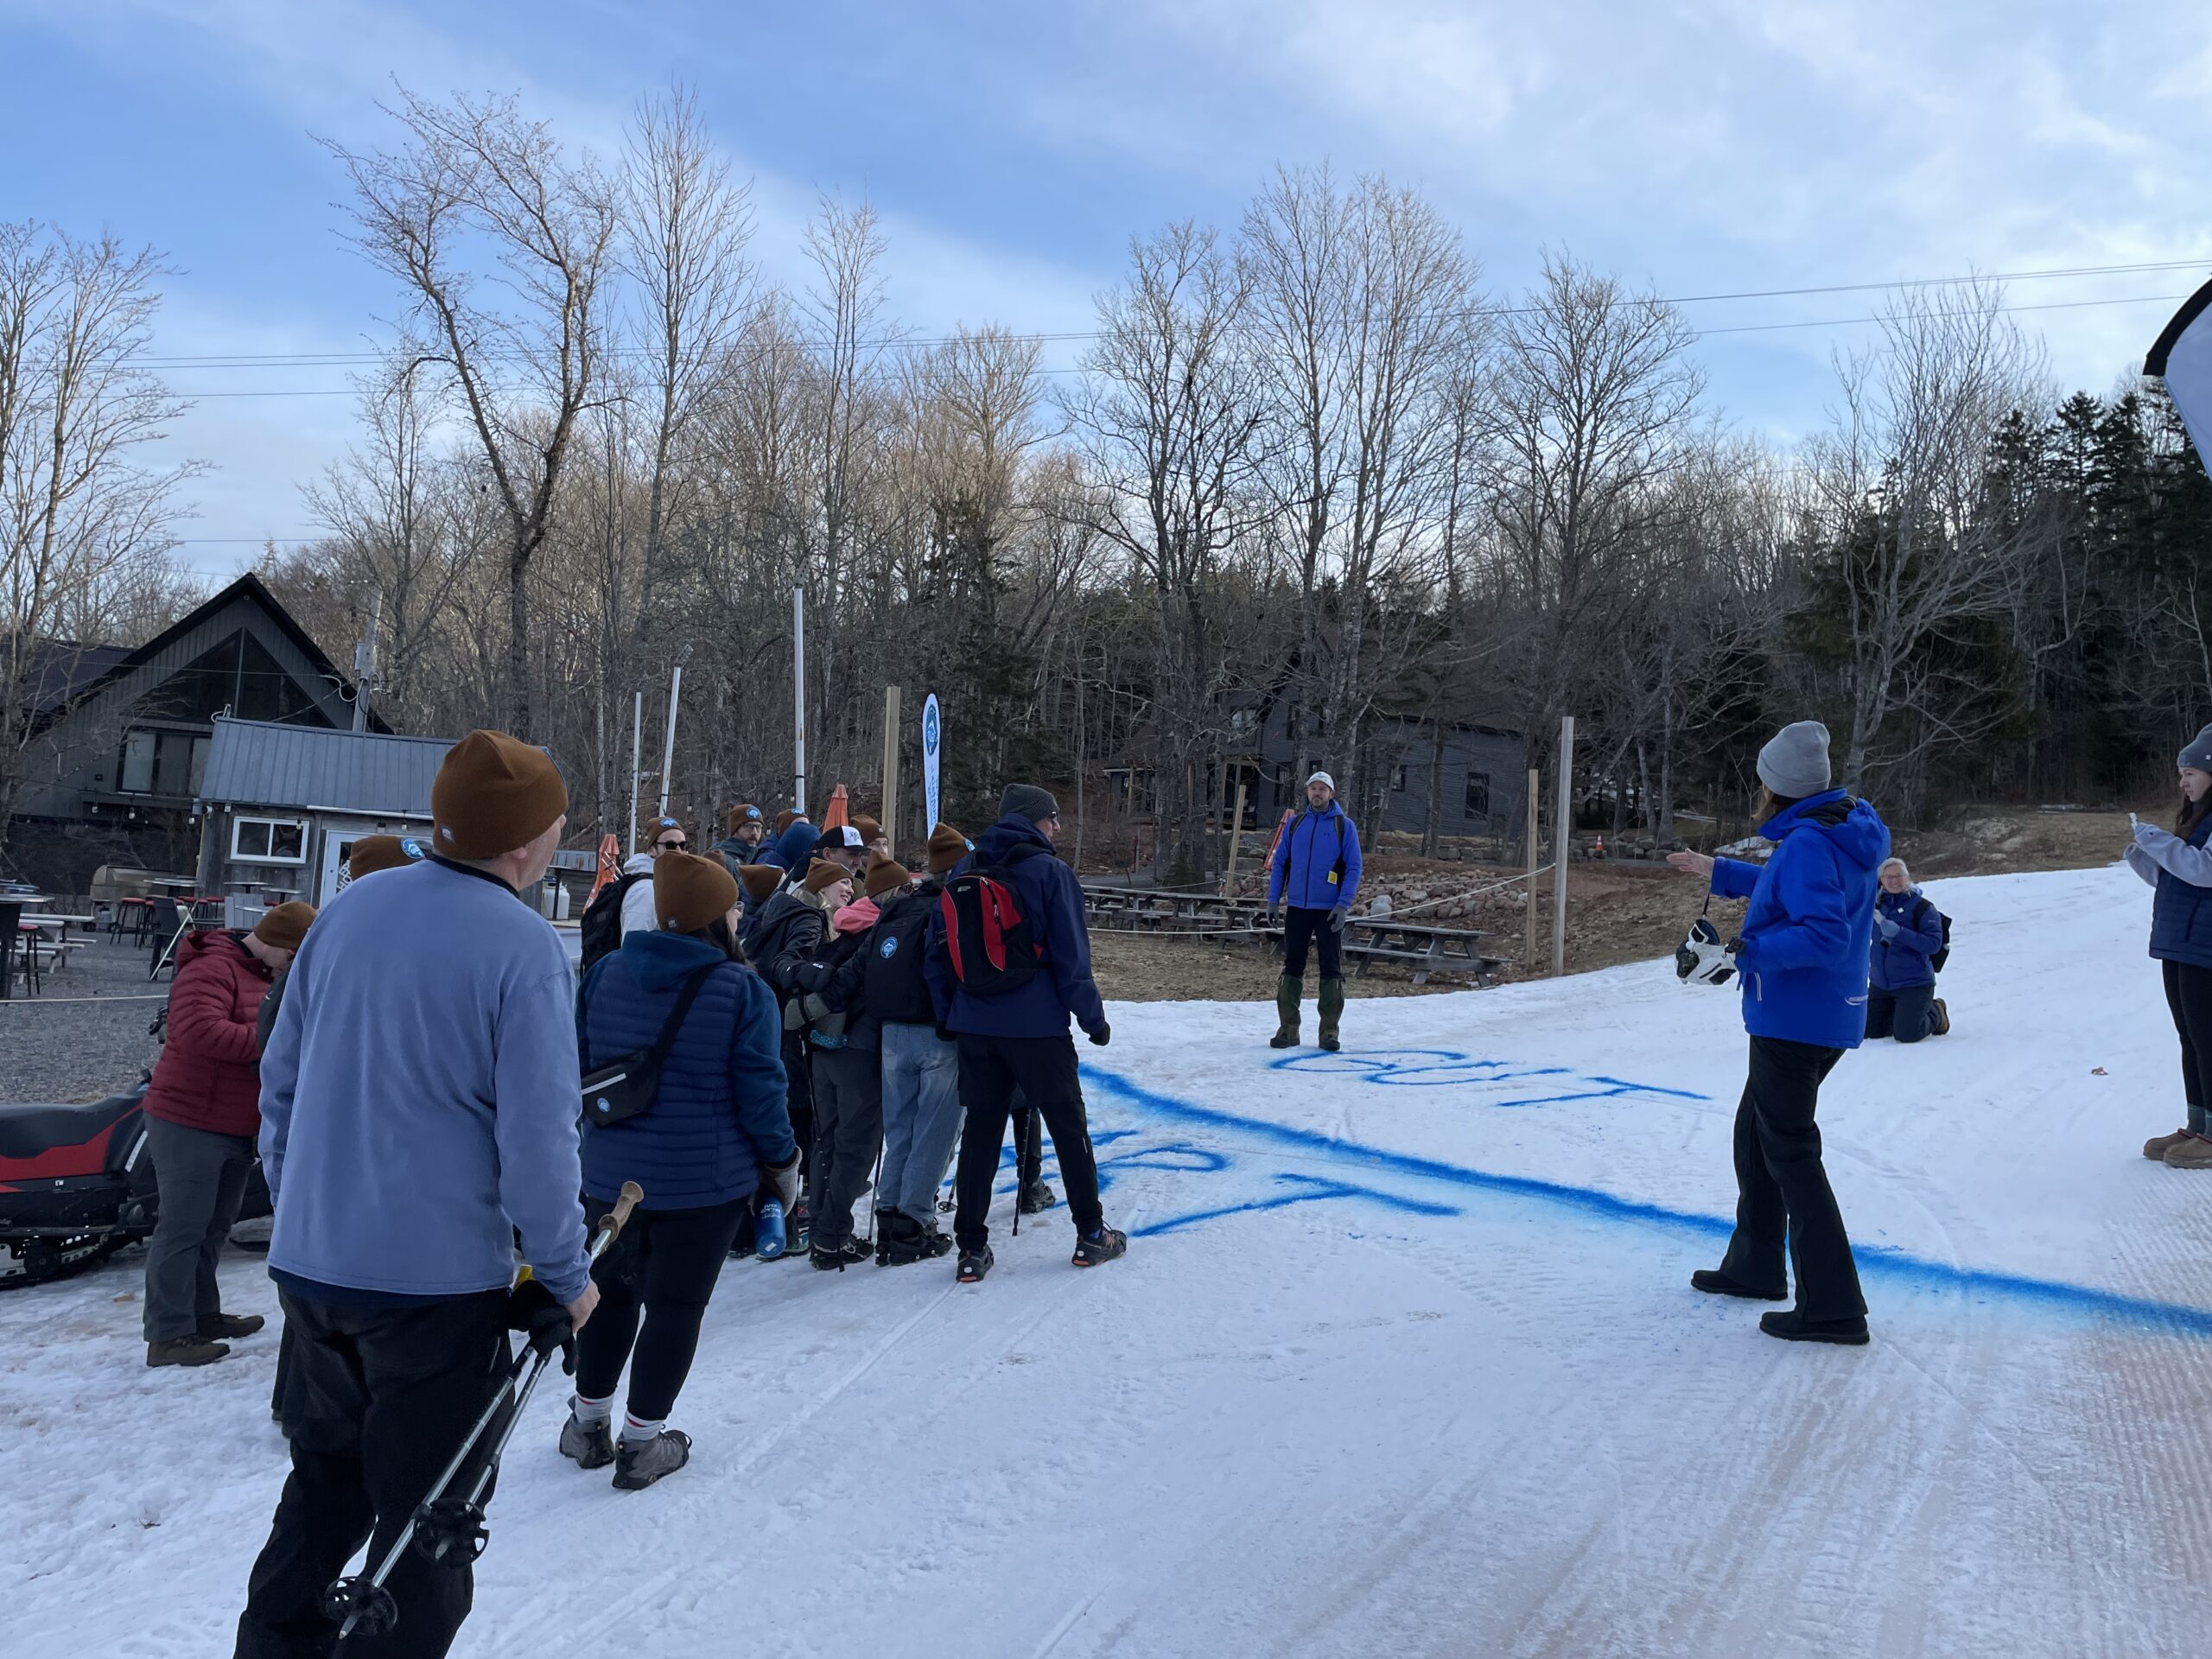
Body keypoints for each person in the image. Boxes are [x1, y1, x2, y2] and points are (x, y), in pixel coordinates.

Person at [235, 730, 597, 1658]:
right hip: (431, 1293)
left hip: (315, 1268)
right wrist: (565, 1273)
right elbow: (537, 1140)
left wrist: (300, 1201)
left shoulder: (351, 911)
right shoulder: (522, 946)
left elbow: (281, 1080)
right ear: (527, 839)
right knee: (424, 1531)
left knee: (321, 1494)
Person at [564, 850, 798, 1486]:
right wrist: (782, 1161)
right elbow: (762, 1093)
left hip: (607, 1177)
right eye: (733, 906)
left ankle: (587, 1423)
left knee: (607, 1297)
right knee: (675, 1309)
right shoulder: (742, 990)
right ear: (715, 918)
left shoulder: (604, 972)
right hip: (703, 1184)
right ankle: (642, 1443)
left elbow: (580, 1063)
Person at [1666, 719, 1886, 1346]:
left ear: (1775, 786)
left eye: (1762, 779)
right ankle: (1756, 1264)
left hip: (1796, 1018)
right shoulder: (1842, 826)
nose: (1758, 789)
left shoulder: (1809, 841)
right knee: (1755, 1134)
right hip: (1822, 1013)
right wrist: (1717, 870)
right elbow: (1790, 885)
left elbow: (1824, 934)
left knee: (1790, 1151)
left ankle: (1835, 1306)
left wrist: (1746, 952)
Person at [925, 784, 1125, 1283]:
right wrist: (1093, 1020)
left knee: (981, 1133)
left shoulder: (963, 870)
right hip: (1037, 1026)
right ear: (1032, 818)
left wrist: (950, 1014)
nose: (1057, 825)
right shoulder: (1051, 872)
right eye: (1052, 817)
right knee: (1068, 1127)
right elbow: (1071, 956)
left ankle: (971, 1249)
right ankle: (1091, 1234)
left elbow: (937, 953)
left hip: (975, 1025)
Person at [140, 902, 315, 1369]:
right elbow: (200, 1032)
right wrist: (280, 1043)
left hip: (233, 1123)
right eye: (293, 956)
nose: (291, 967)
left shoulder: (261, 973)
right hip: (190, 1119)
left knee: (214, 1226)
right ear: (278, 944)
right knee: (183, 1227)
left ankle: (202, 1314)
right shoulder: (210, 969)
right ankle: (168, 1335)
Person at [747, 857, 858, 1228]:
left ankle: (791, 1197)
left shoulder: (783, 909)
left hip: (773, 1022)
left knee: (791, 1104)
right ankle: (800, 1202)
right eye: (843, 882)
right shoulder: (810, 918)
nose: (850, 888)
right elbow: (789, 963)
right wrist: (808, 974)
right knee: (801, 1107)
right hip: (791, 1027)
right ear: (821, 887)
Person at [2129, 724, 2212, 1170]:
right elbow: (2178, 877)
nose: (2183, 782)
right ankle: (2198, 1125)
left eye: (2190, 773)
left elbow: (2204, 871)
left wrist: (2160, 842)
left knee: (2207, 1037)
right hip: (2179, 941)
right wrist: (2146, 857)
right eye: (2181, 774)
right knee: (2189, 1036)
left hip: (2205, 945)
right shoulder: (2194, 819)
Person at [791, 876, 884, 1269]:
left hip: (822, 1046)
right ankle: (833, 1237)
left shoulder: (839, 931)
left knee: (826, 1139)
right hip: (859, 1050)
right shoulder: (878, 936)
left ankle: (822, 1231)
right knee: (856, 1144)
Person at [1266, 771, 1363, 1052]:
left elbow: (1354, 867)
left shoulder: (1344, 826)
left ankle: (1329, 1032)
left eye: (1322, 789)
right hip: (1297, 907)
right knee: (1292, 966)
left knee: (1331, 968)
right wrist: (1273, 900)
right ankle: (1288, 1030)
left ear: (1332, 793)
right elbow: (1280, 863)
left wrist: (1343, 905)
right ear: (1307, 792)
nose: (1317, 793)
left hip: (1329, 910)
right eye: (1313, 788)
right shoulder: (1295, 824)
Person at [1866, 857, 1949, 1043]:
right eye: (1889, 877)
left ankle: (1936, 1010)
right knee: (1869, 1031)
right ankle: (1901, 1015)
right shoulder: (1875, 905)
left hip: (1914, 982)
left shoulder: (1923, 907)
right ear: (1881, 880)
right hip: (1881, 983)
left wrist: (1900, 932)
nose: (1894, 881)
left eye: (1899, 876)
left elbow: (1933, 944)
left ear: (1907, 877)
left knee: (1907, 1035)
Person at [620, 817, 691, 939]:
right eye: (670, 846)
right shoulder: (646, 891)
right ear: (652, 850)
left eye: (683, 845)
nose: (679, 851)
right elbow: (634, 945)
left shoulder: (665, 885)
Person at [713, 804, 767, 875]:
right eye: (748, 826)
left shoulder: (760, 859)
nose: (754, 832)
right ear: (735, 829)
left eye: (758, 827)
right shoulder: (722, 861)